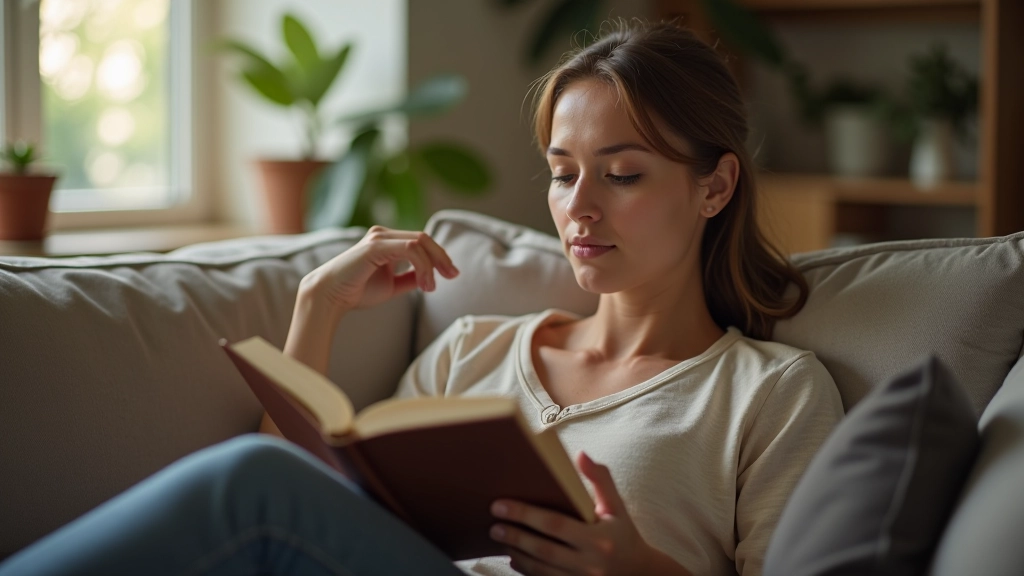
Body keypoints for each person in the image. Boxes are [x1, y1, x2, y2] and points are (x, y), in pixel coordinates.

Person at [0, 19, 844, 576]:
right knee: (260, 487)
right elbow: (306, 523)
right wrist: (317, 309)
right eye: (561, 174)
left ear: (715, 186)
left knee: (248, 484)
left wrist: (638, 567)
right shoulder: (475, 347)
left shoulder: (769, 393)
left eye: (622, 175)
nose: (578, 207)